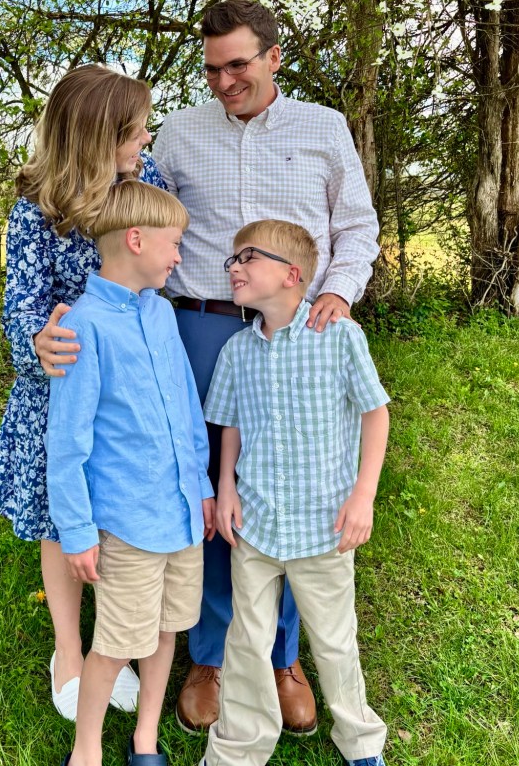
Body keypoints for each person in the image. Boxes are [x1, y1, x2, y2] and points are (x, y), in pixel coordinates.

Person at [36, 0, 380, 734]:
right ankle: (210, 654)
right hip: (194, 326)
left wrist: (341, 292)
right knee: (199, 485)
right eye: (212, 69)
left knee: (287, 479)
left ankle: (281, 656)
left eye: (238, 65)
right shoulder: (180, 135)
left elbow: (357, 224)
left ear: (274, 56)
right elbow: (116, 205)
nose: (225, 82)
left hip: (296, 328)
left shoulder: (324, 128)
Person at [0, 65, 167, 721]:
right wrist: (37, 339)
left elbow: (159, 262)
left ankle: (117, 638)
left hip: (128, 382)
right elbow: (22, 303)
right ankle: (69, 650)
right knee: (63, 515)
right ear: (96, 138)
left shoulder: (146, 181)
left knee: (117, 509)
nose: (146, 138)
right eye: (136, 130)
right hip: (63, 384)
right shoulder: (37, 204)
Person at [201, 219, 389, 766]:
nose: (234, 267)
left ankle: (361, 743)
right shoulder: (237, 351)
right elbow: (231, 425)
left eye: (247, 258)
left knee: (334, 641)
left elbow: (376, 414)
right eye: (232, 259)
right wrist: (226, 486)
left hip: (324, 527)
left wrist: (363, 496)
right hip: (257, 526)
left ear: (292, 275)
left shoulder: (340, 338)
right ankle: (237, 749)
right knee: (246, 643)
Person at [45, 180, 215, 766]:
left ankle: (145, 737)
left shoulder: (162, 313)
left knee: (166, 631)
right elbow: (67, 442)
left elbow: (187, 407)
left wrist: (203, 488)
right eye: (174, 244)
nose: (178, 258)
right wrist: (76, 531)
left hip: (181, 515)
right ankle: (86, 749)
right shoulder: (83, 326)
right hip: (128, 523)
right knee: (117, 644)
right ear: (136, 240)